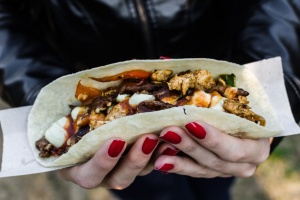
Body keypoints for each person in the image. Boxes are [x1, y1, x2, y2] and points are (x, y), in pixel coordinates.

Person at [0, 0, 299, 200]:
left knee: (215, 185)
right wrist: (37, 89)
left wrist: (272, 87)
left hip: (228, 87)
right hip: (112, 146)